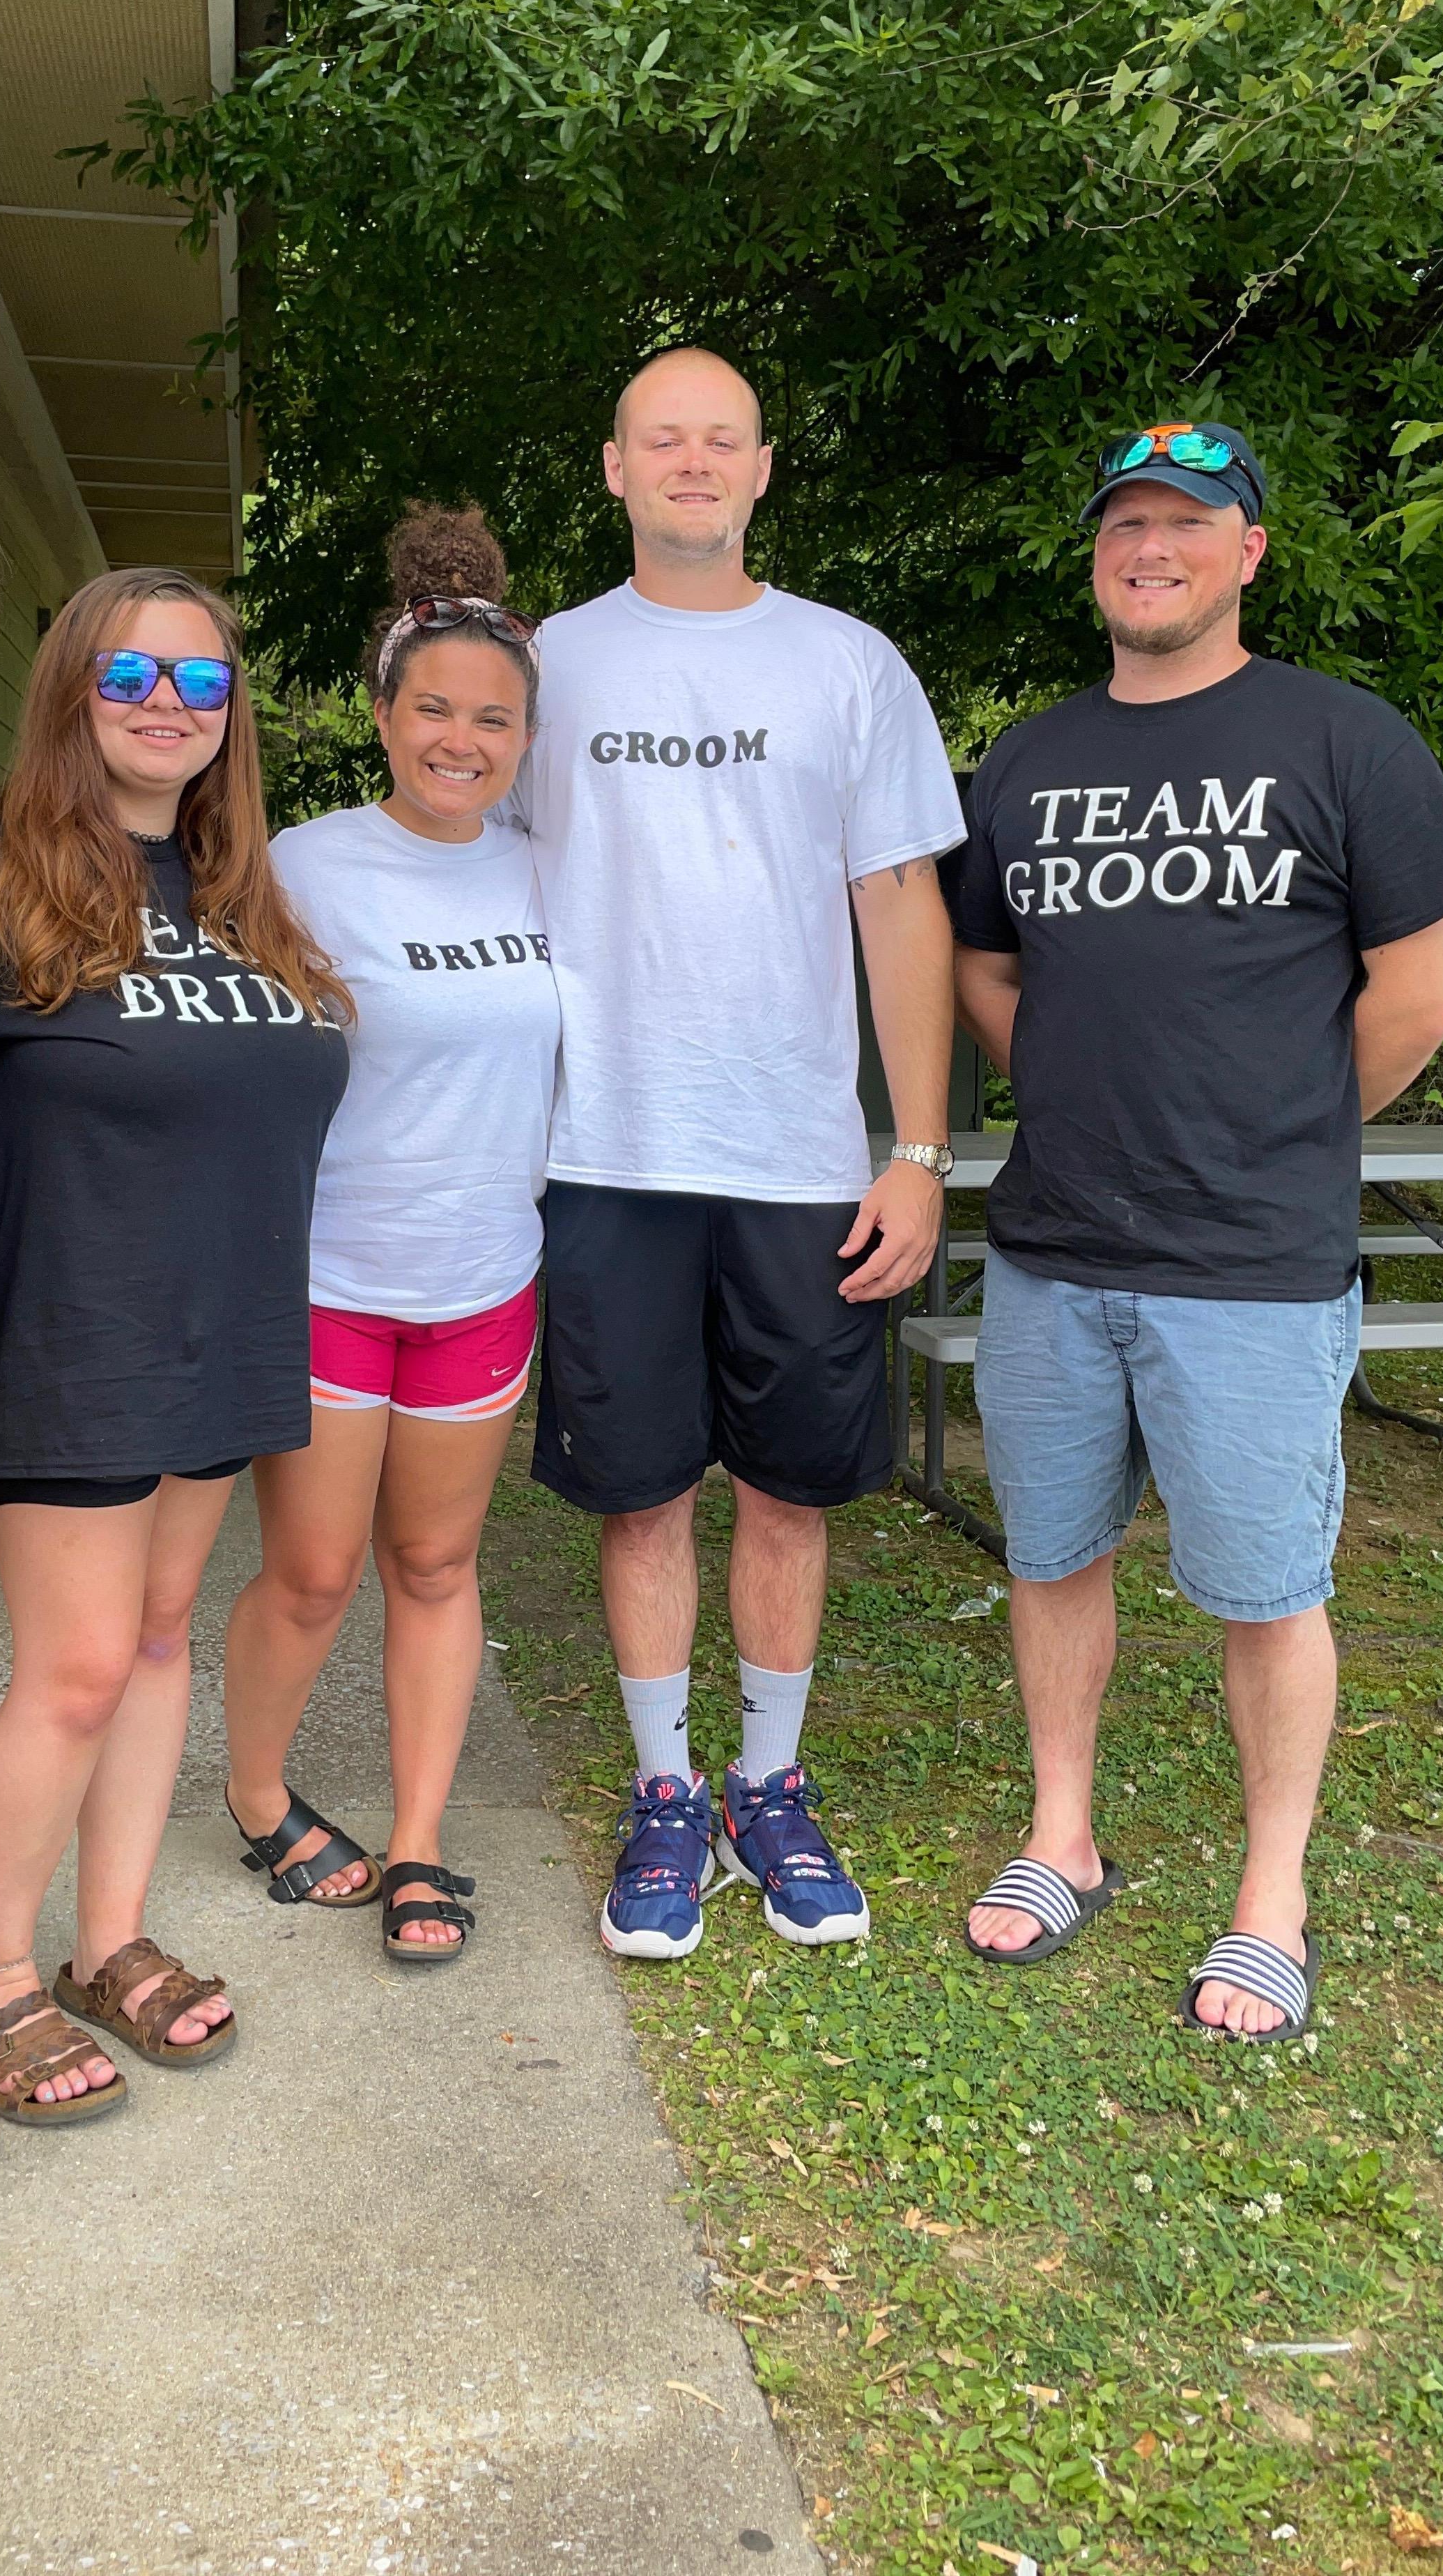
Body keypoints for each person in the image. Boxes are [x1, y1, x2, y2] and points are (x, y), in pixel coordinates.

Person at [948, 420, 1443, 2041]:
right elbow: (987, 970)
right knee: (1052, 1557)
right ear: (1099, 557)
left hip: (1252, 1268)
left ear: (1247, 551)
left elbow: (1423, 988)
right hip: (1055, 1250)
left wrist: (1283, 1121)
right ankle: (1065, 1835)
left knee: (1266, 1589)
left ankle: (1274, 1894)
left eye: (1187, 522)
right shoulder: (1032, 758)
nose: (1151, 547)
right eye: (1125, 523)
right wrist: (1068, 1081)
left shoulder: (1345, 740)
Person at [518, 346, 965, 1960]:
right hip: (604, 1150)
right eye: (663, 439)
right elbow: (477, 894)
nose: (694, 462)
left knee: (788, 1489)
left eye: (722, 440)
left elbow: (901, 904)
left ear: (764, 468)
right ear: (617, 468)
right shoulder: (543, 665)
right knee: (639, 1492)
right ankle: (666, 1797)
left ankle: (770, 1787)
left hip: (798, 1157)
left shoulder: (848, 666)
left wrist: (915, 1147)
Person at [0, 567, 350, 2110]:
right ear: (70, 690)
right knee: (80, 1666)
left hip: (224, 1326)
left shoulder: (246, 898)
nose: (167, 705)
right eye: (130, 676)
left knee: (162, 1637)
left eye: (200, 680)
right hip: (69, 1327)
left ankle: (108, 1940)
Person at [216, 506, 559, 1963]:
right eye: (436, 710)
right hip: (331, 1279)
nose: (462, 741)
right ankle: (256, 1795)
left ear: (527, 736)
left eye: (494, 718)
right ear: (384, 712)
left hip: (485, 1280)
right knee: (312, 1574)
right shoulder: (302, 863)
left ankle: (421, 1838)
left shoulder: (554, 868)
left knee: (435, 1567)